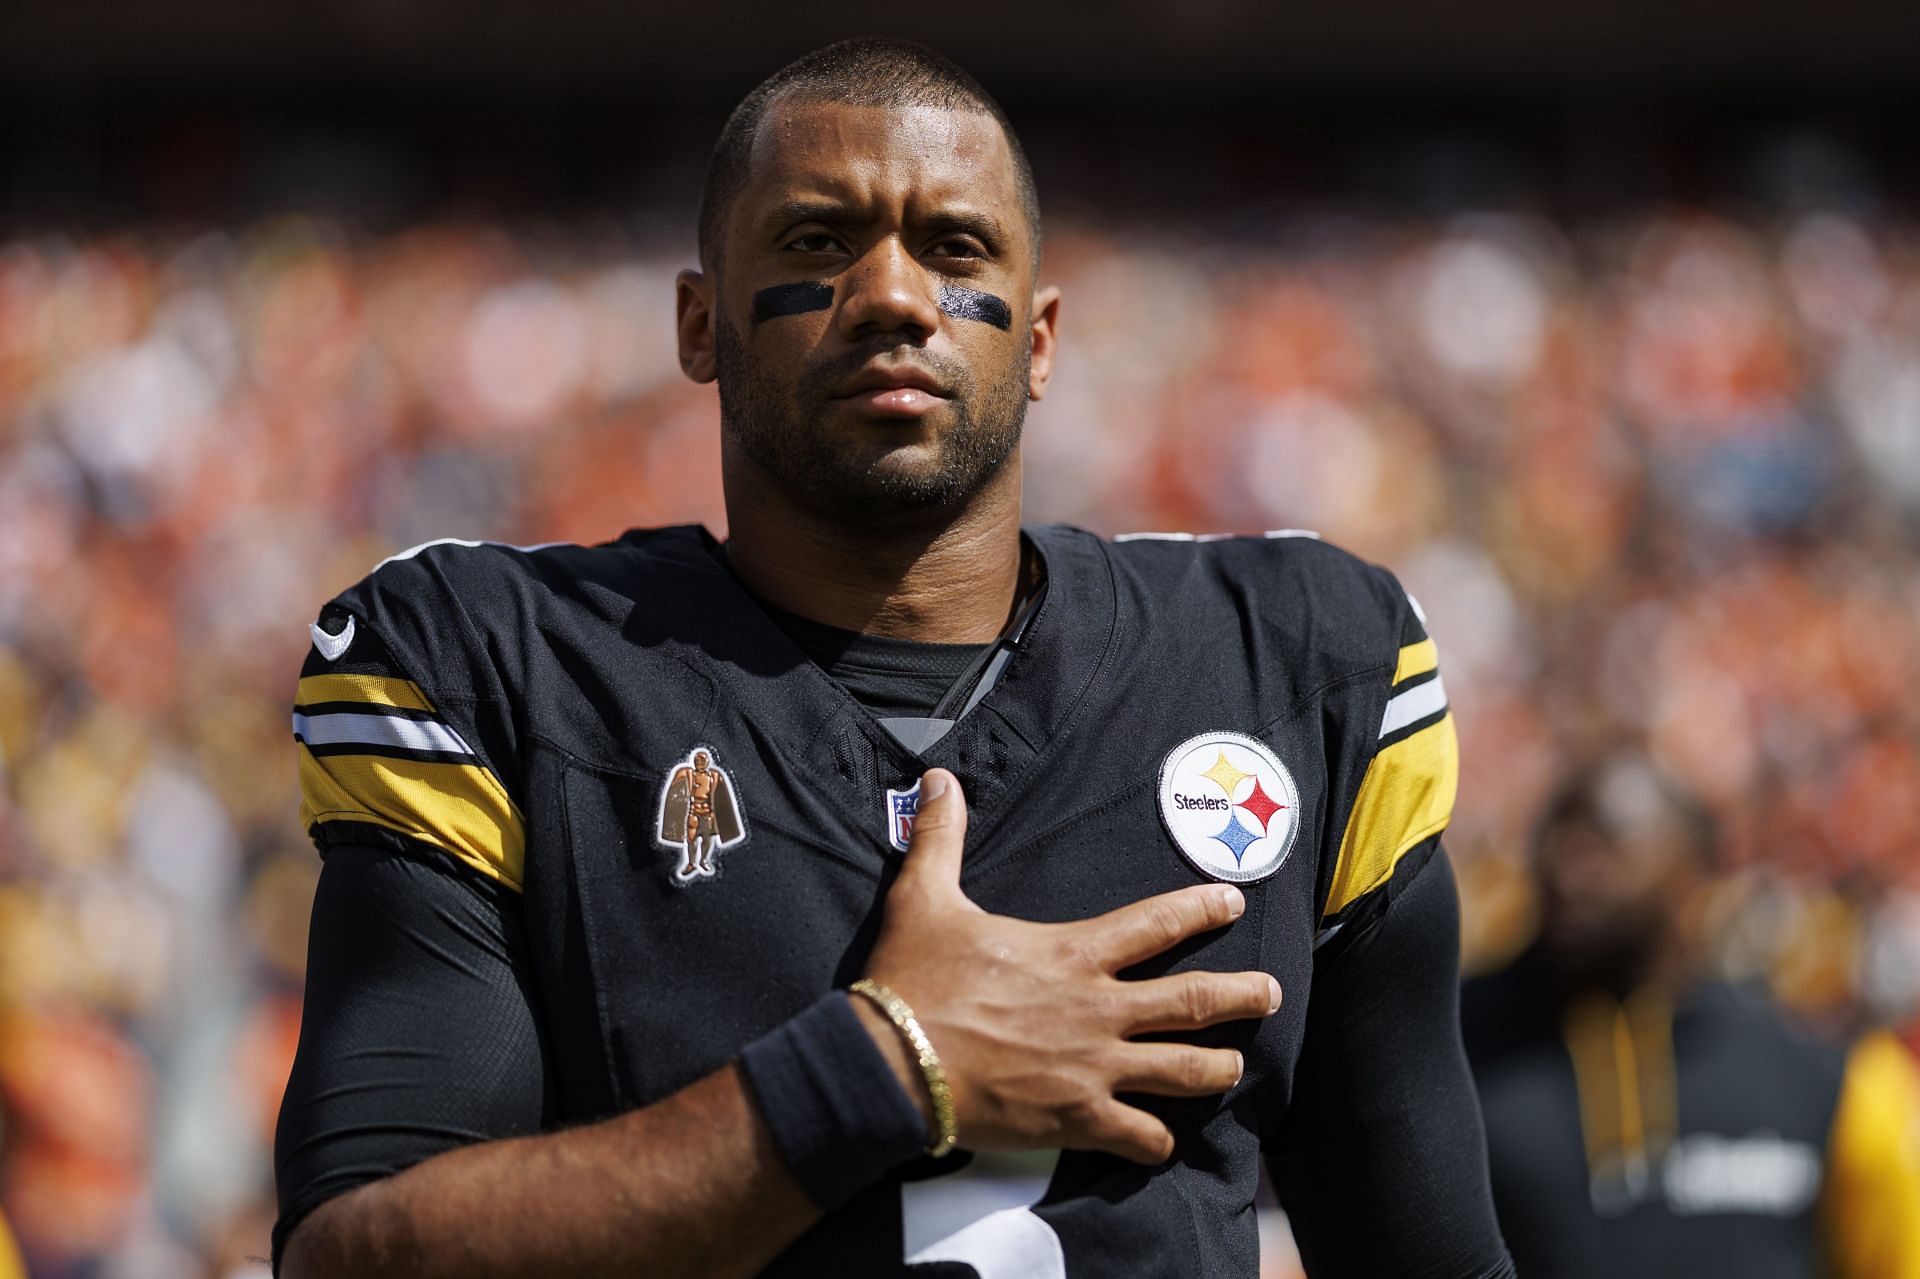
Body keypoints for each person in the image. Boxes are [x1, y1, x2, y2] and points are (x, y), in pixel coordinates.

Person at [274, 37, 1515, 1277]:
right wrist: (879, 1067)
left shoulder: (1296, 662)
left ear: (1039, 342)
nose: (894, 296)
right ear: (698, 324)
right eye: (817, 242)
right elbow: (356, 1255)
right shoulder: (494, 667)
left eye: (955, 248)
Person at [1463, 754, 1920, 1279]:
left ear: (1697, 872)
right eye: (1555, 836)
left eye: (1605, 841)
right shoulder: (1446, 1050)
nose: (1568, 867)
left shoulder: (1834, 1080)